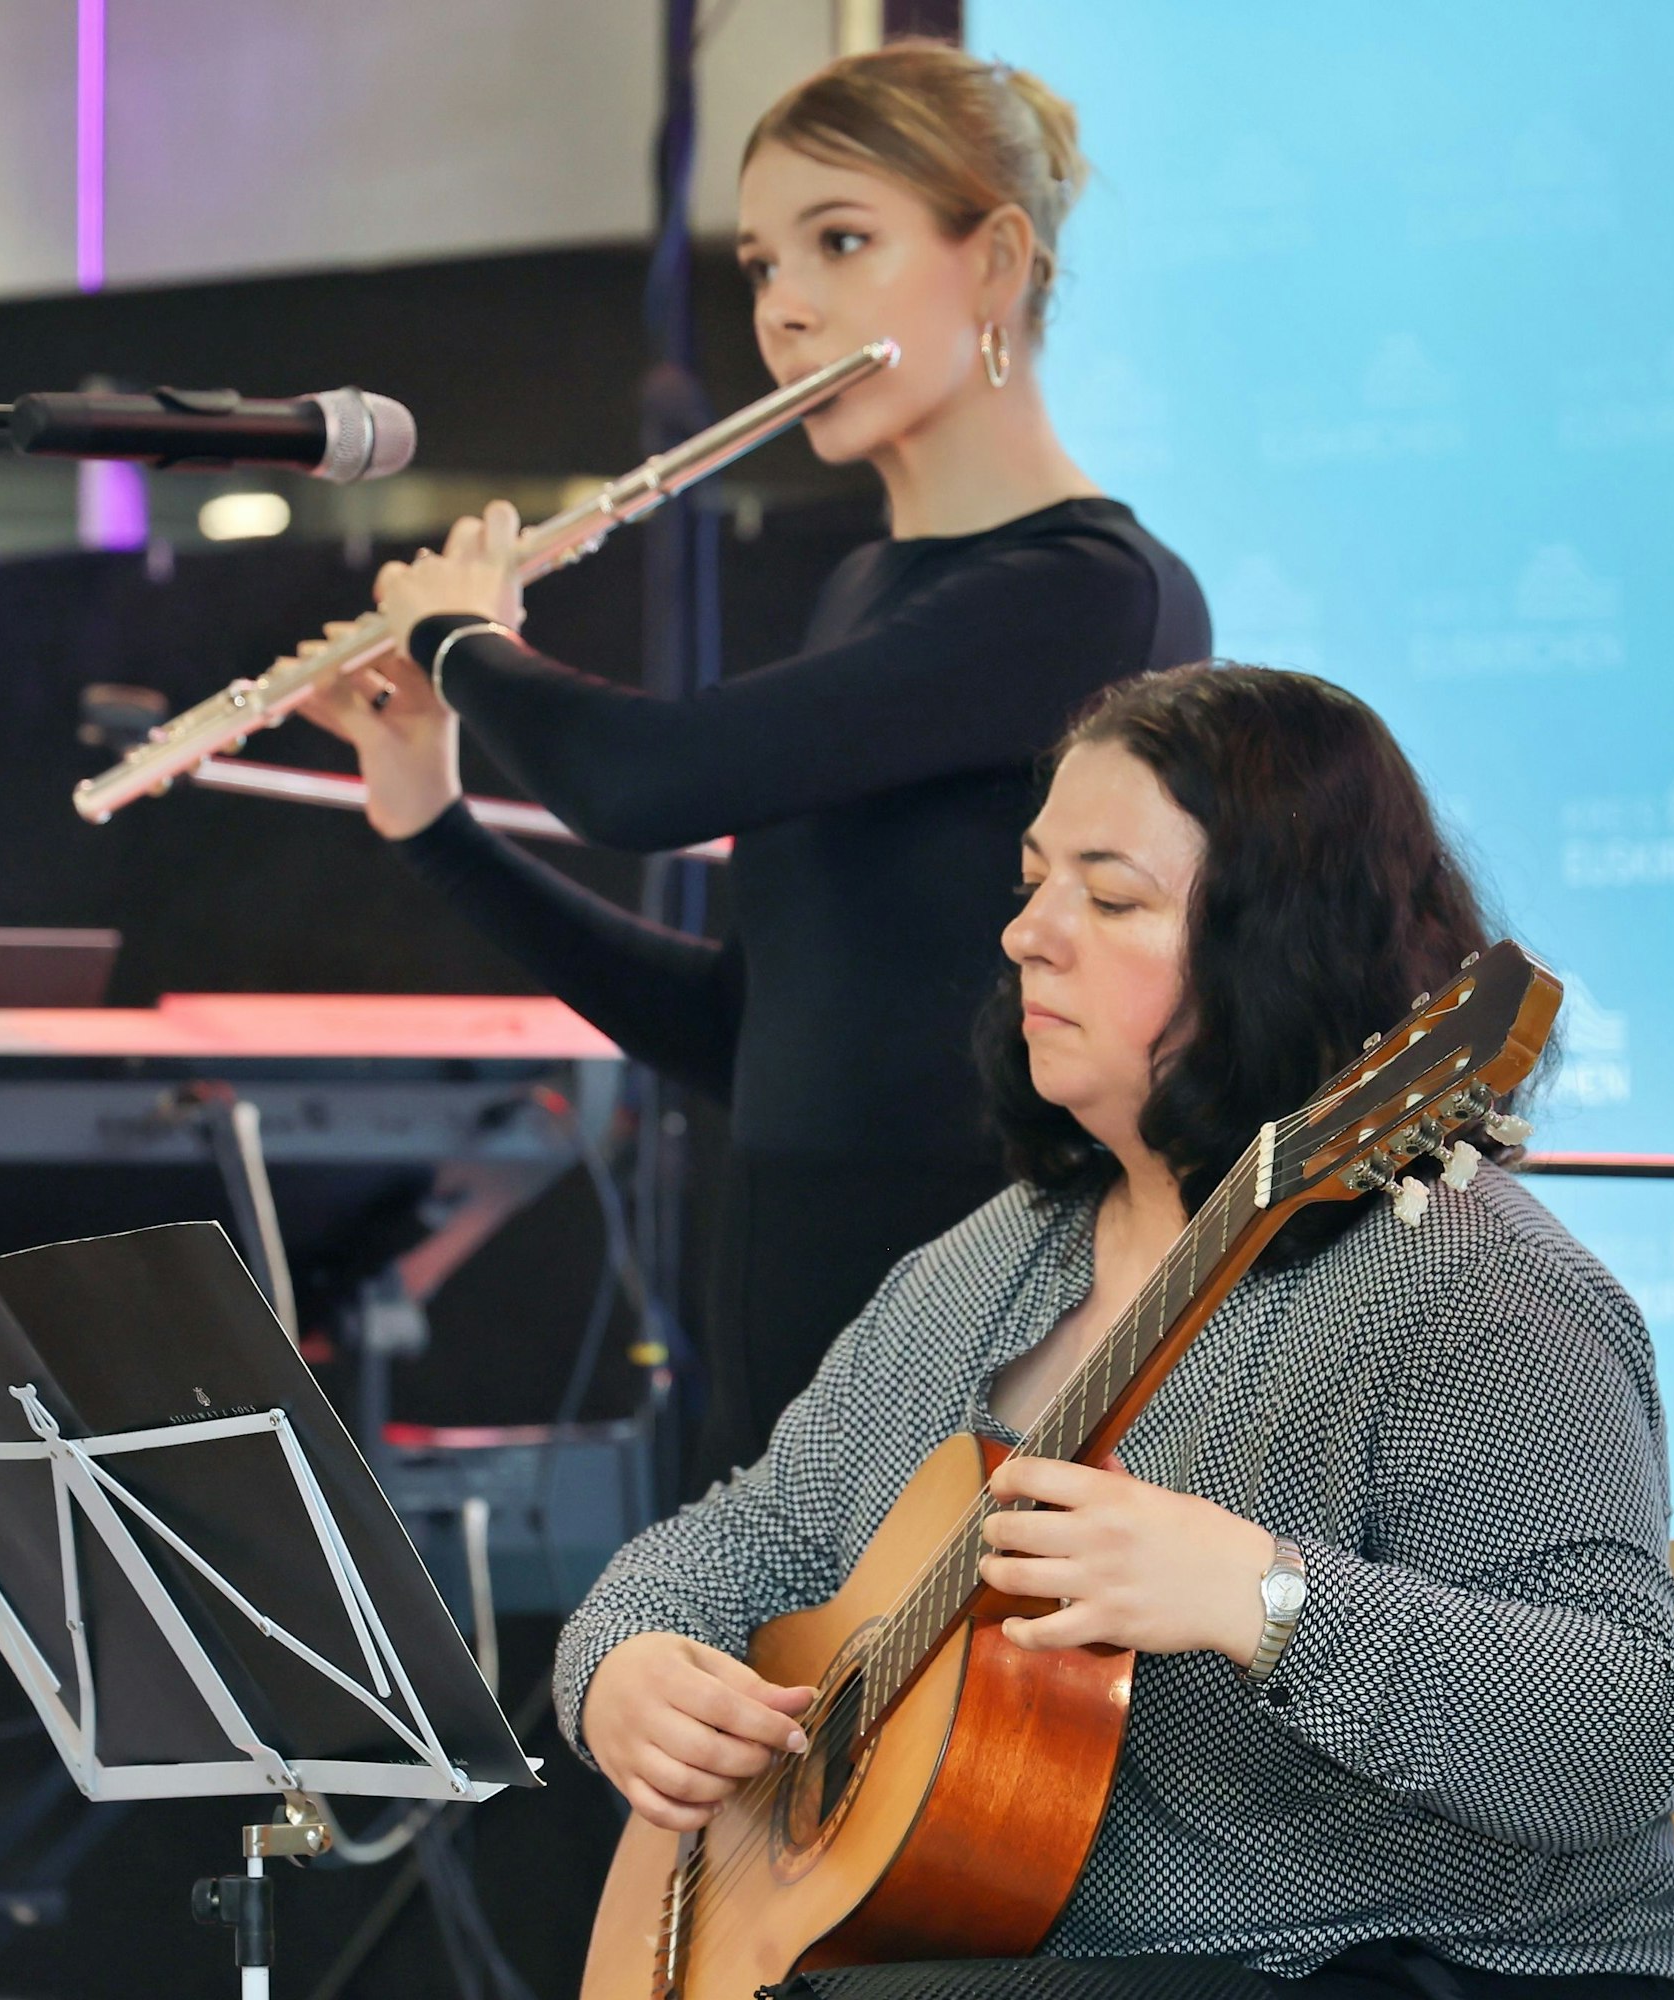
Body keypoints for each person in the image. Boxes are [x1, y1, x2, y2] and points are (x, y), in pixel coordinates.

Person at [554, 664, 1674, 1996]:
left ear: (1281, 947)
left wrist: (1264, 1600)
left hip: (1425, 1967)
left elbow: (1619, 1728)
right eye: (1034, 882)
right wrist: (624, 1664)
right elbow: (758, 1531)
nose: (1029, 935)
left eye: (1110, 899)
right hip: (1054, 1957)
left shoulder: (1473, 1290)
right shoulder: (999, 1256)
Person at [300, 42, 1210, 1479]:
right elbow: (744, 1028)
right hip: (796, 1335)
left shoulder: (1088, 593)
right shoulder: (867, 590)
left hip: (975, 1334)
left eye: (842, 243)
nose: (786, 309)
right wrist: (433, 820)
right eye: (762, 264)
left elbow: (648, 781)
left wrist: (467, 644)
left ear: (996, 264)